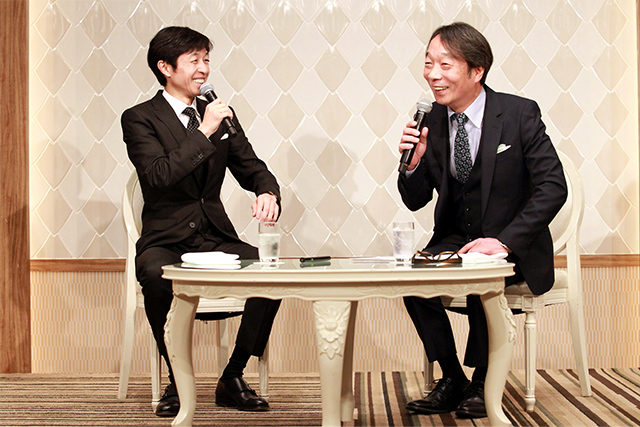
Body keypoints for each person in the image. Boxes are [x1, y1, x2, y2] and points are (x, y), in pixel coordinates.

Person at [397, 22, 567, 419]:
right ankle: (453, 377)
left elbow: (553, 186)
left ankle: (482, 381)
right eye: (428, 63)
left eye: (446, 65)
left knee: (481, 272)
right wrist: (413, 165)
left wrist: (503, 242)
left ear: (477, 71)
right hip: (456, 236)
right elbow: (415, 199)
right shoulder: (431, 119)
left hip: (511, 242)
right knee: (409, 279)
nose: (433, 75)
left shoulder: (519, 113)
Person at [121, 26, 281, 417]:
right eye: (194, 60)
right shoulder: (140, 118)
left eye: (206, 59)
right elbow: (159, 175)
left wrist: (267, 192)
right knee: (155, 274)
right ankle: (177, 381)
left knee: (271, 271)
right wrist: (206, 129)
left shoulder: (220, 114)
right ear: (165, 67)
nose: (204, 69)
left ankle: (233, 375)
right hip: (165, 238)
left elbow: (252, 166)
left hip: (214, 234)